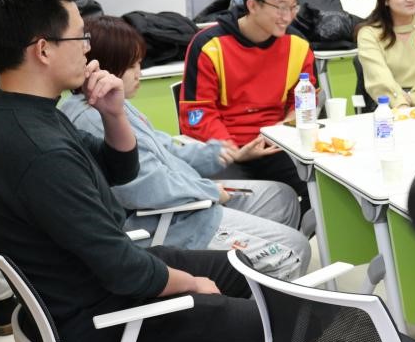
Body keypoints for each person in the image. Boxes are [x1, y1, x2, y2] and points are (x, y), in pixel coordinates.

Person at [0, 0, 260, 342]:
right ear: (43, 50)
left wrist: (113, 112)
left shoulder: (16, 114)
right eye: (79, 37)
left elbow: (118, 169)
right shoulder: (37, 149)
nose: (88, 48)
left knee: (240, 271)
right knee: (281, 321)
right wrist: (192, 286)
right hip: (99, 330)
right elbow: (126, 271)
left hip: (83, 297)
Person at [60, 15, 311, 280]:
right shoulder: (95, 118)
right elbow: (146, 187)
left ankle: (248, 281)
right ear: (107, 65)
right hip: (171, 222)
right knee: (295, 249)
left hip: (188, 200)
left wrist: (223, 153)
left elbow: (167, 148)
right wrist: (207, 190)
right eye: (132, 65)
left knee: (281, 197)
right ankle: (250, 290)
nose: (139, 73)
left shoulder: (112, 104)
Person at [179, 0, 316, 211]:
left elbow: (303, 102)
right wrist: (235, 150)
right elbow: (198, 113)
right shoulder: (209, 45)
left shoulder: (298, 44)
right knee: (241, 204)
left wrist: (281, 132)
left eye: (293, 7)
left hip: (275, 145)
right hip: (227, 150)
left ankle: (301, 232)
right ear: (252, 5)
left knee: (318, 189)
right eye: (280, 7)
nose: (288, 17)